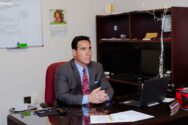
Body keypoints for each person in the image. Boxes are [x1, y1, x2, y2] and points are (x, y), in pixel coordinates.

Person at [54, 35, 114, 106]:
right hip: (71, 111)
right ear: (74, 52)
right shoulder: (63, 70)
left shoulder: (97, 67)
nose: (88, 53)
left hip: (93, 110)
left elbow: (109, 89)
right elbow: (62, 96)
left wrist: (104, 97)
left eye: (89, 49)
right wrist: (88, 98)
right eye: (83, 49)